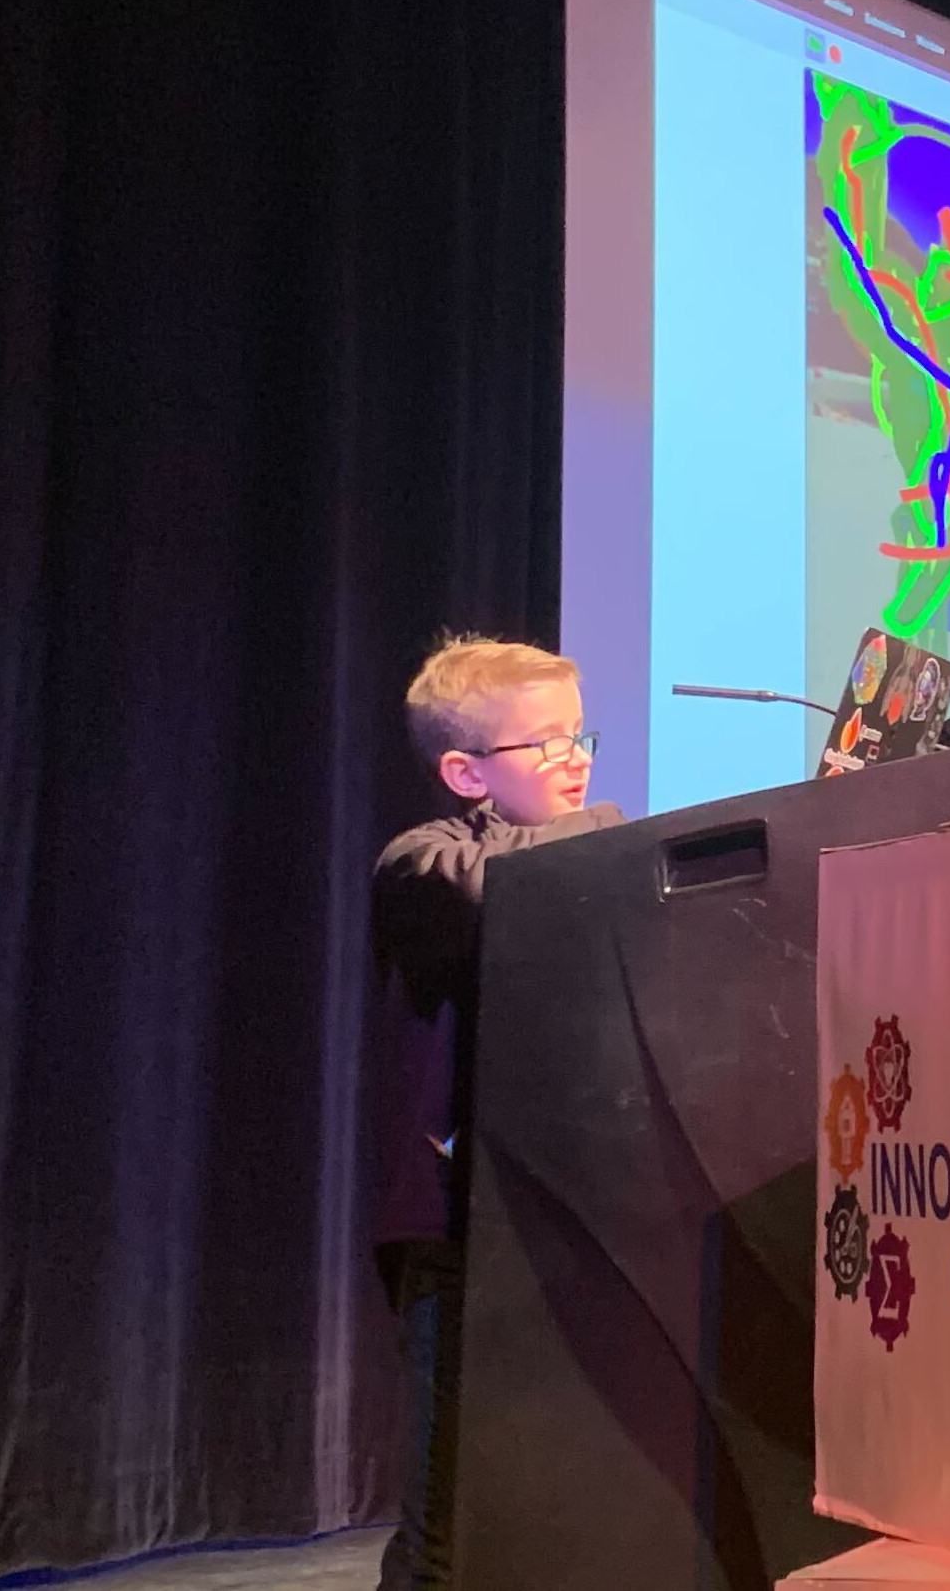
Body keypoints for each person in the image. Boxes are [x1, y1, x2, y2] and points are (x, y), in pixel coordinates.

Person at [367, 635, 623, 1591]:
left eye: (579, 735)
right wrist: (608, 829)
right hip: (456, 1228)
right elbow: (494, 893)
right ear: (465, 772)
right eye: (544, 743)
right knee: (450, 1505)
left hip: (567, 1211)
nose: (576, 758)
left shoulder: (592, 861)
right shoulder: (422, 860)